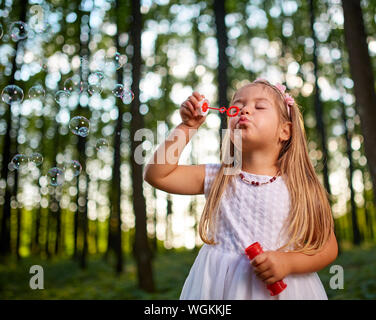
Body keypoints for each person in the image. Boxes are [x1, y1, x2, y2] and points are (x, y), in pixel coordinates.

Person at [143, 78, 338, 300]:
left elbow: (328, 248)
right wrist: (187, 128)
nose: (244, 109)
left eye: (259, 106)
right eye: (239, 104)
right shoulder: (219, 177)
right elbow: (157, 175)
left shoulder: (301, 187)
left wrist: (288, 262)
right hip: (220, 290)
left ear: (285, 131)